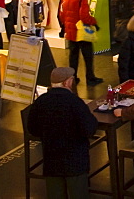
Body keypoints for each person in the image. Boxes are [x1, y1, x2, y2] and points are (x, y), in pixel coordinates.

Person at [26, 67, 98, 199]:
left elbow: (32, 128)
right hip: (75, 163)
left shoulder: (40, 102)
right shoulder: (75, 102)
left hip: (51, 162)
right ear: (67, 83)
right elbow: (90, 128)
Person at [58, 0, 102, 86]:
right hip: (81, 33)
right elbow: (84, 17)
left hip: (70, 32)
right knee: (88, 56)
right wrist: (94, 22)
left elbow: (61, 15)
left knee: (73, 57)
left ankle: (73, 78)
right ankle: (90, 78)